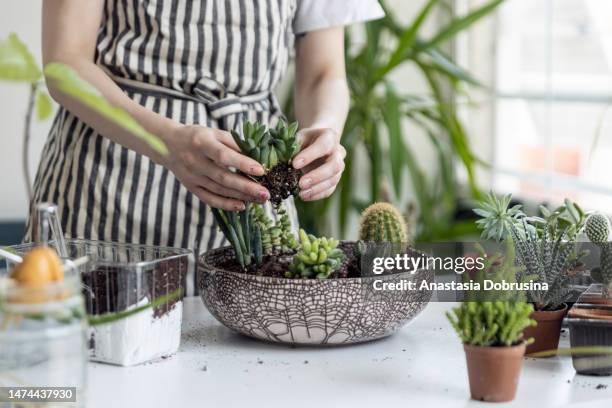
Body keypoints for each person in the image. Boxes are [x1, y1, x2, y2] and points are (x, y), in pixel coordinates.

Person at [28, 0, 384, 294]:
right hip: (109, 184)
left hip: (253, 188)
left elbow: (324, 73)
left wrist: (325, 129)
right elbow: (65, 65)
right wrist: (165, 142)